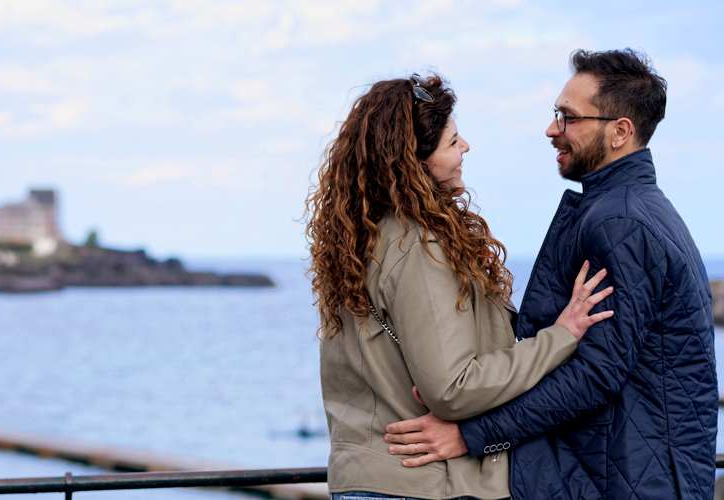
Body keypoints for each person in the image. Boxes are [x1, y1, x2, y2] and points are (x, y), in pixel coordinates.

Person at [384, 49, 717, 500]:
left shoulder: (619, 222)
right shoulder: (637, 209)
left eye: (568, 117)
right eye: (555, 114)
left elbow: (596, 373)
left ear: (620, 131)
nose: (552, 129)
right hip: (637, 470)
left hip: (625, 478)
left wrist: (473, 434)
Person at [305, 72, 614, 500]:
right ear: (415, 162)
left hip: (371, 477)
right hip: (420, 484)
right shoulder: (416, 245)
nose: (465, 147)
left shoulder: (361, 239)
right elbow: (453, 389)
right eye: (452, 142)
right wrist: (560, 337)